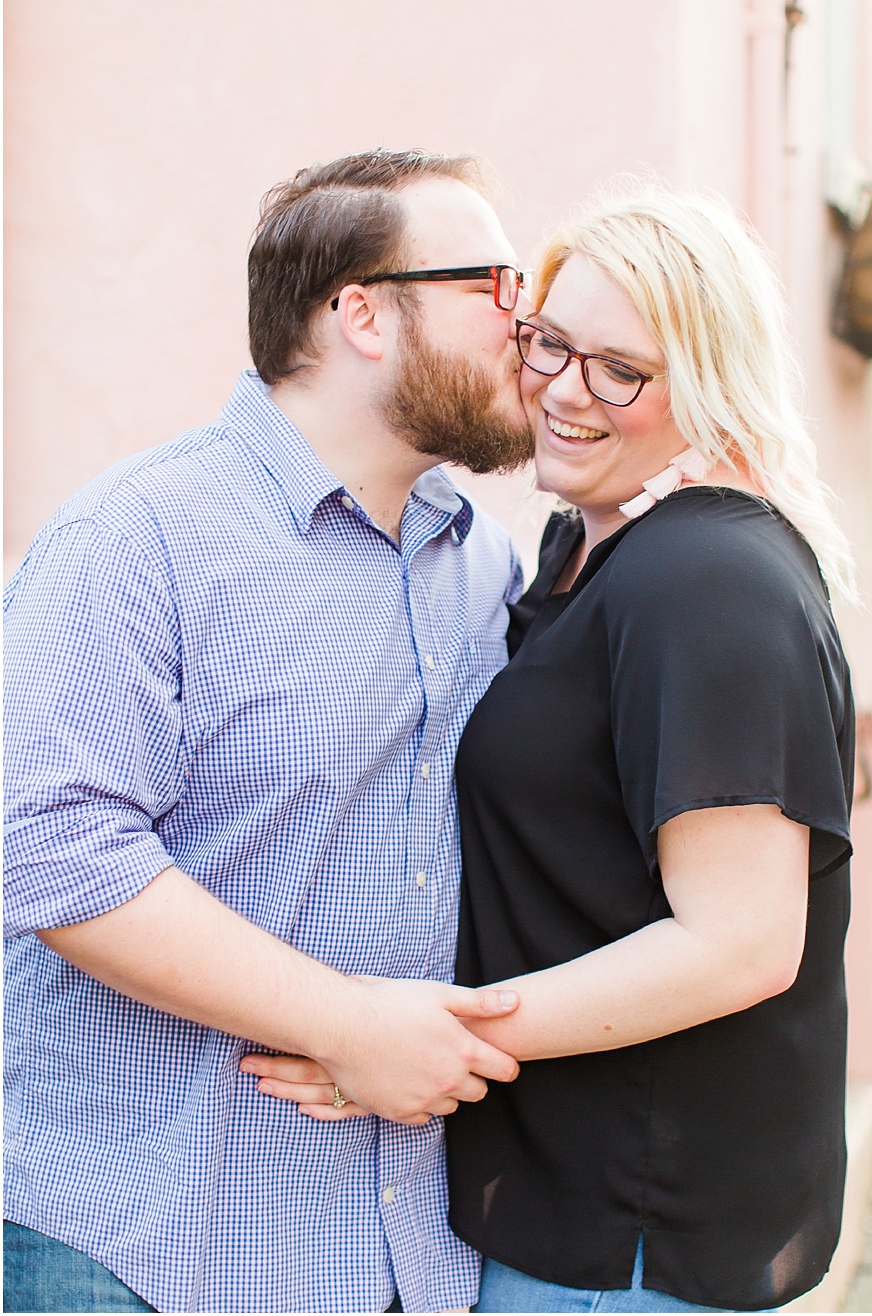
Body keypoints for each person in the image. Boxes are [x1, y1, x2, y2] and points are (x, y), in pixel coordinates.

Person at [246, 186, 860, 1314]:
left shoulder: (710, 580)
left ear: (711, 383)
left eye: (622, 369)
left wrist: (428, 1040)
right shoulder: (581, 546)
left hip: (629, 1244)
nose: (567, 392)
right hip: (557, 1210)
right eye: (551, 344)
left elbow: (740, 944)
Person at [3, 149, 540, 1314]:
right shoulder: (133, 539)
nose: (525, 318)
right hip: (143, 1248)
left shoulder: (480, 557)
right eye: (491, 284)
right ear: (360, 312)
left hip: (403, 1253)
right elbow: (57, 860)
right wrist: (347, 1022)